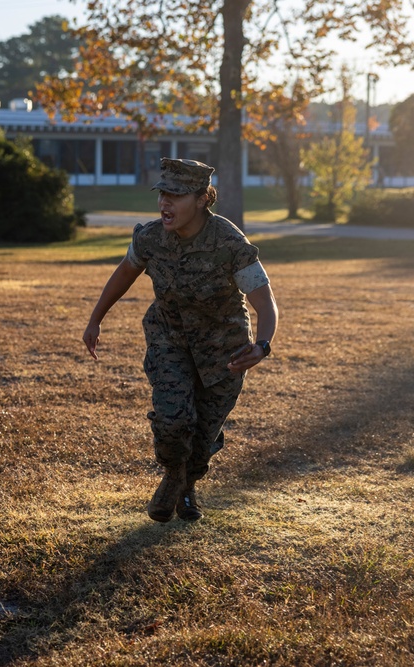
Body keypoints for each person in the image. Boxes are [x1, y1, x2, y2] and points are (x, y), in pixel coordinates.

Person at [82, 157, 278, 523]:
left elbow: (265, 303)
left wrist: (262, 346)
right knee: (173, 420)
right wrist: (95, 319)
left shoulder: (230, 242)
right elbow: (124, 273)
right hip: (168, 339)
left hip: (224, 351)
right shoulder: (151, 238)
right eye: (162, 194)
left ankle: (187, 488)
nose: (165, 203)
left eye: (176, 195)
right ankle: (173, 476)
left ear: (203, 199)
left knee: (203, 434)